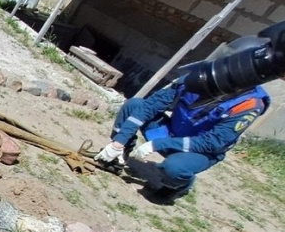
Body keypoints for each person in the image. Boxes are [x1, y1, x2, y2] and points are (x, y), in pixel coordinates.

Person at [94, 80, 270, 203]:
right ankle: (119, 155)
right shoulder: (197, 76)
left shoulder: (250, 103)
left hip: (200, 150)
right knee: (135, 105)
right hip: (171, 130)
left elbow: (214, 142)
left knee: (175, 168)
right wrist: (119, 141)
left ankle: (176, 186)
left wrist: (159, 144)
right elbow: (151, 105)